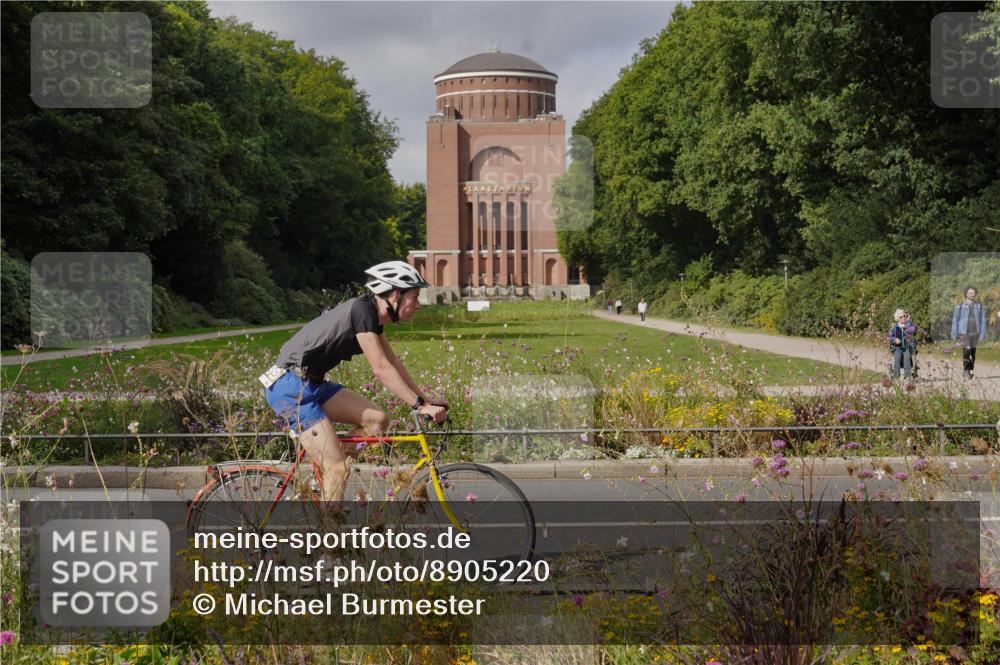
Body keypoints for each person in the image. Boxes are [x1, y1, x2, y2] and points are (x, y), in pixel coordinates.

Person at [260, 261, 448, 503]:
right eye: (414, 296)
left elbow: (393, 364)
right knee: (338, 469)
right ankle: (331, 534)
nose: (418, 304)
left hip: (313, 385)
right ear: (394, 294)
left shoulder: (372, 318)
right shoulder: (362, 311)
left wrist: (424, 399)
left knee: (377, 421)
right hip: (288, 387)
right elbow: (380, 369)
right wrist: (420, 407)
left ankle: (325, 479)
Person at [951, 286, 987, 379]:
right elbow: (955, 320)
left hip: (975, 333)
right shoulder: (960, 305)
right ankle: (966, 371)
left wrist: (982, 334)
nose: (973, 294)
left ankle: (971, 370)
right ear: (966, 294)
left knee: (973, 353)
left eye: (974, 293)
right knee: (967, 352)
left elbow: (983, 320)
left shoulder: (979, 305)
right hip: (964, 333)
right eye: (970, 293)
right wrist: (954, 333)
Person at [887, 309, 916, 379]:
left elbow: (913, 330)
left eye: (904, 316)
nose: (903, 318)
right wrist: (895, 339)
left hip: (907, 346)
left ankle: (907, 376)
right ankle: (896, 376)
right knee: (897, 357)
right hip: (897, 347)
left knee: (906, 356)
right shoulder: (894, 327)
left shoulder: (909, 325)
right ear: (897, 319)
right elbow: (889, 336)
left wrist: (908, 321)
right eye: (901, 317)